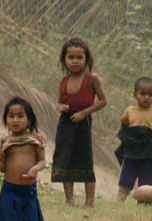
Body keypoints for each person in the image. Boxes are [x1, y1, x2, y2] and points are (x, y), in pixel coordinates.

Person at [51, 37, 107, 208]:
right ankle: (69, 200)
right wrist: (61, 107)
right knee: (65, 159)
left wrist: (84, 113)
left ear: (86, 59)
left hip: (83, 124)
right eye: (71, 57)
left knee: (84, 159)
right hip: (66, 125)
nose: (75, 61)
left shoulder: (92, 79)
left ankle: (89, 202)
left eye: (79, 57)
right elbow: (60, 102)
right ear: (64, 60)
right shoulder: (64, 81)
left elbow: (103, 101)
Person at [115, 77, 152, 202]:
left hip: (149, 152)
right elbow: (124, 125)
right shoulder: (130, 111)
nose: (146, 98)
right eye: (142, 94)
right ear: (135, 95)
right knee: (126, 180)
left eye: (150, 95)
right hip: (132, 151)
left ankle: (146, 206)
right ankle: (119, 202)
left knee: (147, 181)